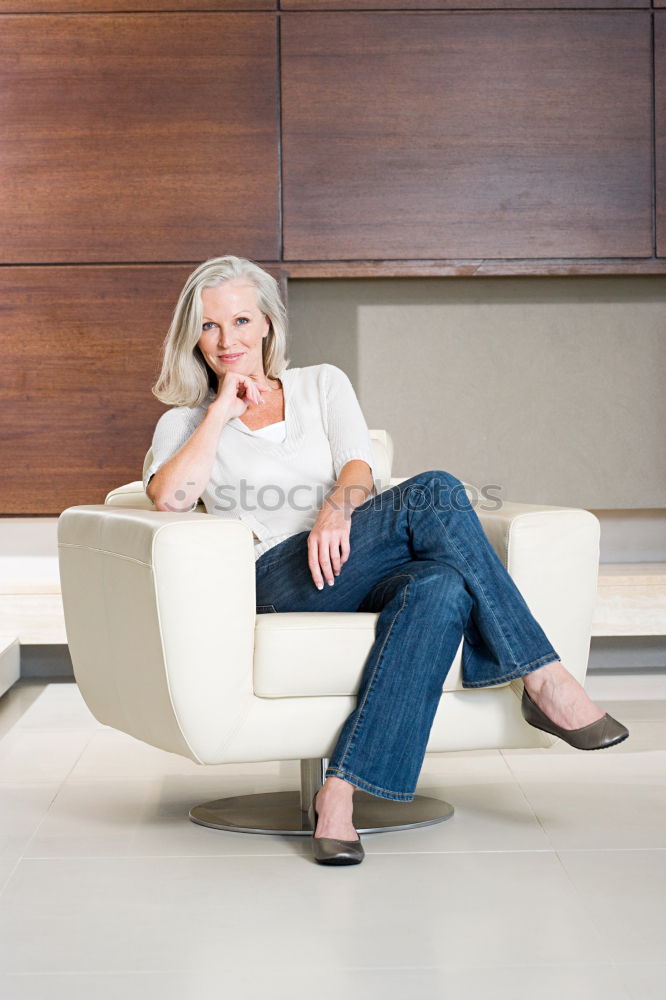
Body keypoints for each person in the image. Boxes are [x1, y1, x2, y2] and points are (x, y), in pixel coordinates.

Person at [145, 255, 629, 867]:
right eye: (210, 326)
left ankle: (340, 794)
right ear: (194, 335)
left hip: (350, 554)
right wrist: (220, 411)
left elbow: (357, 465)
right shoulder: (185, 423)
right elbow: (171, 499)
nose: (227, 339)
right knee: (436, 489)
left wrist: (337, 510)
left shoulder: (322, 383)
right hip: (277, 577)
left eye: (241, 320)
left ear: (268, 324)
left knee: (442, 587)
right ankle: (544, 676)